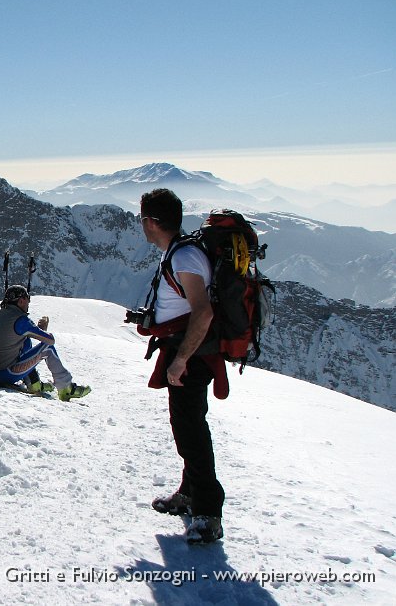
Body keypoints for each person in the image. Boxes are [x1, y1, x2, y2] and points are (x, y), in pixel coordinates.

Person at [139, 188, 225, 544]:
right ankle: (189, 494)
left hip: (192, 356)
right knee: (186, 426)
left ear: (150, 222)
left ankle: (208, 513)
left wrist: (181, 360)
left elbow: (203, 312)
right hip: (185, 351)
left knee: (191, 432)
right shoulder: (179, 252)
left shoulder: (185, 258)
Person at [0, 285, 90, 401]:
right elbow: (49, 340)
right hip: (4, 374)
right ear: (21, 301)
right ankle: (66, 388)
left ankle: (34, 383)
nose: (28, 305)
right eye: (27, 301)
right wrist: (42, 330)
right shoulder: (21, 320)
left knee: (25, 340)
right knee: (48, 348)